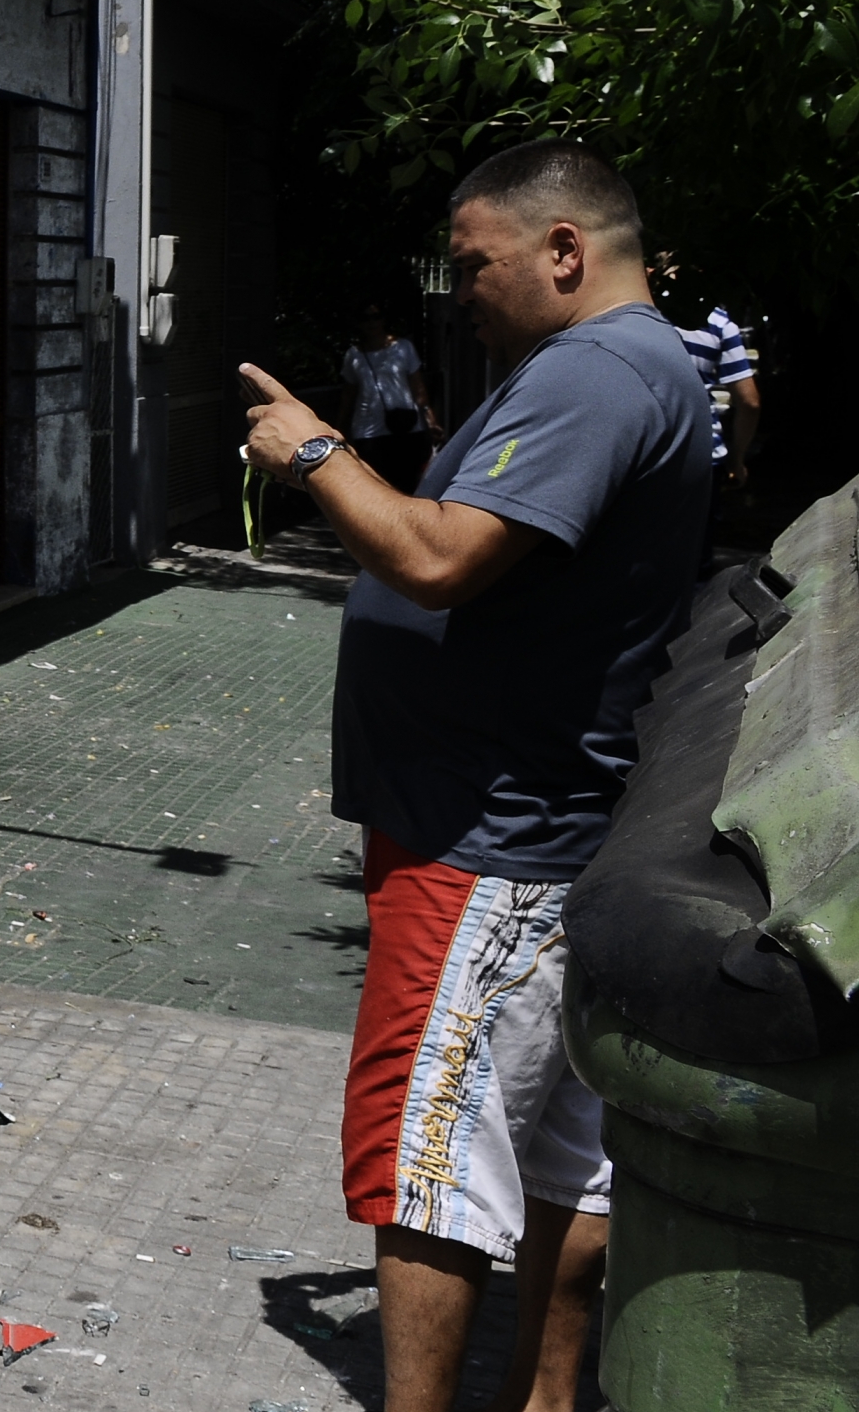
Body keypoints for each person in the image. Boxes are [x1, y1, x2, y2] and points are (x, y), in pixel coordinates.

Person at [236, 140, 707, 1412]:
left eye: (474, 264)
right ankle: (547, 1399)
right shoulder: (627, 365)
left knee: (430, 1162)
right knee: (562, 1153)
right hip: (531, 826)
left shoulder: (601, 370)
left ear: (566, 250)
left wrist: (317, 451)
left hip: (488, 840)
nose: (460, 292)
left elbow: (438, 557)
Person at [338, 301, 440, 492]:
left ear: (384, 320)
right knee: (375, 486)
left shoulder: (403, 348)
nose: (372, 323)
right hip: (369, 430)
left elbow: (417, 386)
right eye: (365, 318)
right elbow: (348, 394)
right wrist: (341, 426)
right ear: (358, 323)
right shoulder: (354, 355)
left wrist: (430, 419)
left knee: (408, 484)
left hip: (406, 426)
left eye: (376, 317)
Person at [677, 302, 761, 488]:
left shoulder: (625, 314)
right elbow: (749, 402)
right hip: (704, 454)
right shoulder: (717, 322)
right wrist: (736, 459)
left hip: (643, 455)